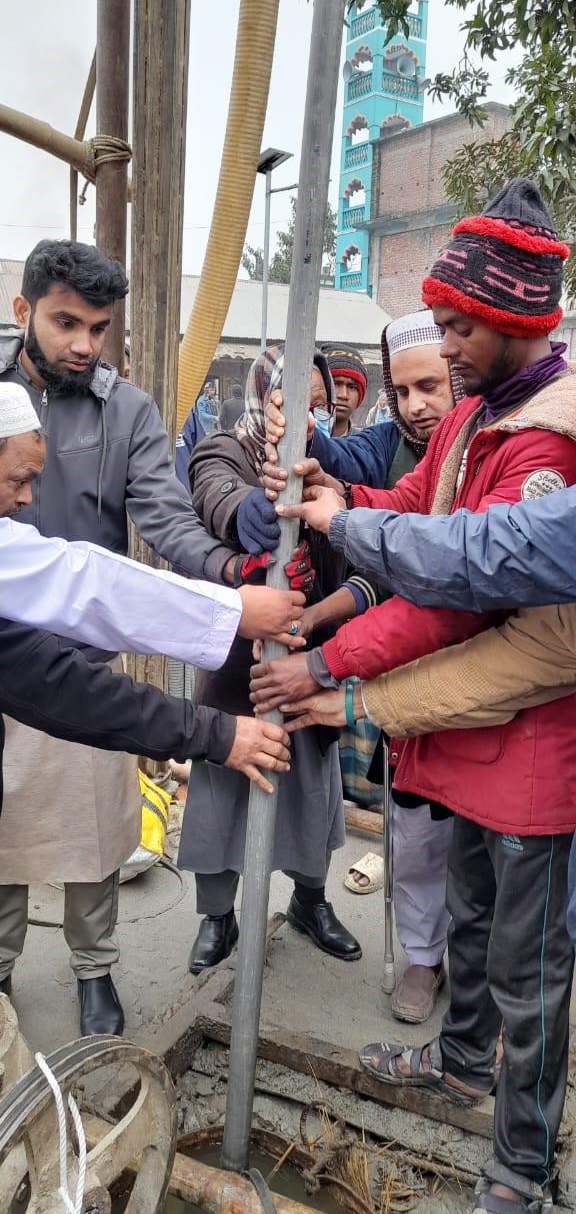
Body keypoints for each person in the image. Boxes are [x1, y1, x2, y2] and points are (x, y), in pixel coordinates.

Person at [251, 180, 576, 1214]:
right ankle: (461, 1061)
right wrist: (338, 499)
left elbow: (458, 595)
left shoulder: (546, 437)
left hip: (530, 744)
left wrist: (330, 661)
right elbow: (413, 500)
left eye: (456, 325)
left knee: (531, 966)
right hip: (471, 732)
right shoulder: (482, 410)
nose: (443, 344)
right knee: (474, 919)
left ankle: (521, 1164)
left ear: (516, 319)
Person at [0, 238, 289, 1039]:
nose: (84, 344)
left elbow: (163, 523)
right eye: (66, 322)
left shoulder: (122, 408)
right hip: (14, 636)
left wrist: (231, 564)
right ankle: (1, 968)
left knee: (93, 827)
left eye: (99, 327)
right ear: (24, 311)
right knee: (4, 831)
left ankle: (94, 968)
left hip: (84, 647)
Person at [270, 311, 463, 1024]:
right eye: (404, 389)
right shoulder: (384, 449)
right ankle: (421, 957)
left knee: (482, 839)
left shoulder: (483, 448)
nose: (418, 403)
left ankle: (473, 971)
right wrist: (301, 432)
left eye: (432, 386)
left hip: (477, 661)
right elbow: (355, 494)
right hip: (397, 653)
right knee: (412, 820)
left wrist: (325, 650)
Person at [180, 346, 361, 976]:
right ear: (264, 397)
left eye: (314, 402)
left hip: (311, 660)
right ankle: (217, 916)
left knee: (312, 789)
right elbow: (214, 494)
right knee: (222, 792)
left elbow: (353, 548)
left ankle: (310, 901)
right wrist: (247, 511)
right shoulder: (225, 450)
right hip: (238, 670)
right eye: (289, 401)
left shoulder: (327, 466)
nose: (303, 415)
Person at [322, 344, 368, 437]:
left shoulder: (366, 446)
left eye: (352, 387)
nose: (343, 395)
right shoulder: (295, 439)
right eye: (335, 384)